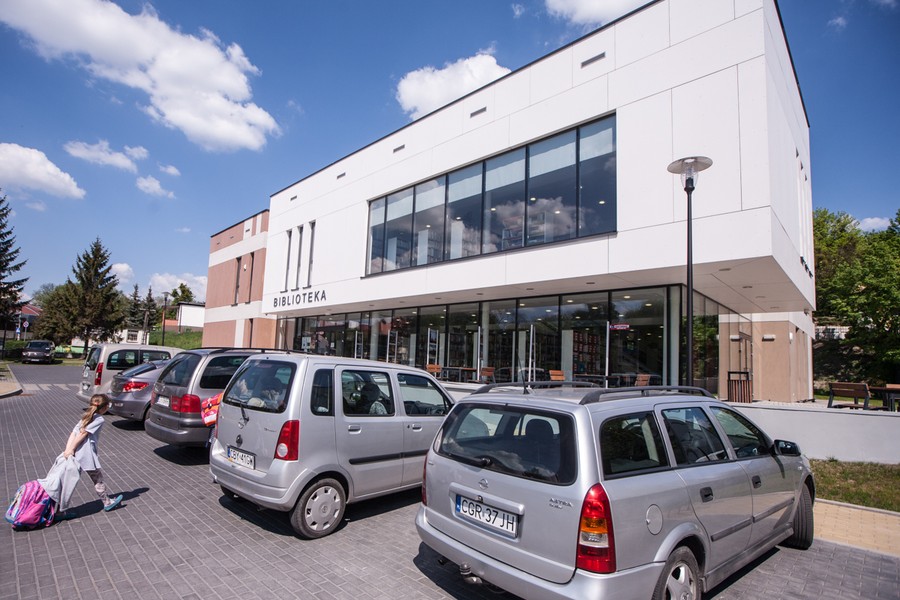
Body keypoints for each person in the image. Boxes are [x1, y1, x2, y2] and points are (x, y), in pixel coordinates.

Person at [56, 394, 123, 519]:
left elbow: (74, 433)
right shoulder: (99, 419)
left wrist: (68, 450)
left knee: (67, 482)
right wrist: (71, 449)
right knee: (97, 478)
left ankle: (60, 510)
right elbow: (83, 434)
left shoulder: (85, 417)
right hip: (86, 456)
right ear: (104, 407)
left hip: (74, 454)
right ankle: (107, 502)